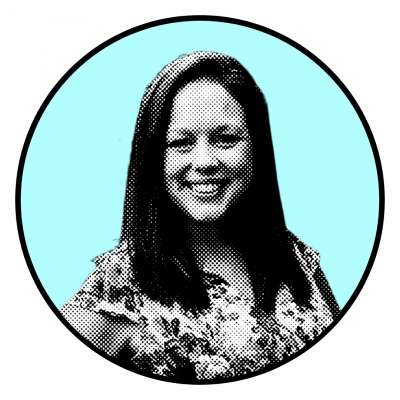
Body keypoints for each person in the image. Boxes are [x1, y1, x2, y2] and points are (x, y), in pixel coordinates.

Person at [60, 51, 340, 380]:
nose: (204, 160)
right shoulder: (120, 285)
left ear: (257, 149)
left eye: (226, 139)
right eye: (181, 142)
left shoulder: (297, 260)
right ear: (153, 157)